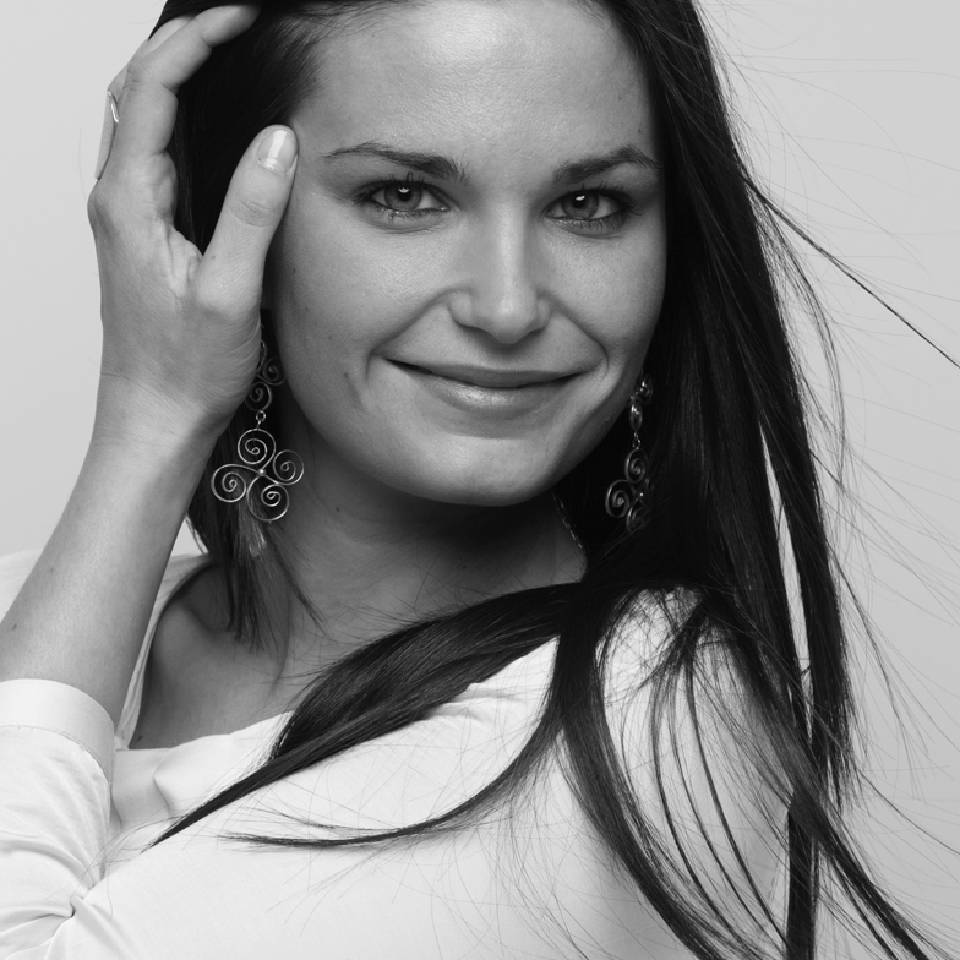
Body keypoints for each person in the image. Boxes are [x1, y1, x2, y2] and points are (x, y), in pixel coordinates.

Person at [0, 1, 953, 957]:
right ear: (216, 223)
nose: (507, 306)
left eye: (589, 205)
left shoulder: (643, 725)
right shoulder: (48, 611)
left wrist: (151, 415)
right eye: (405, 195)